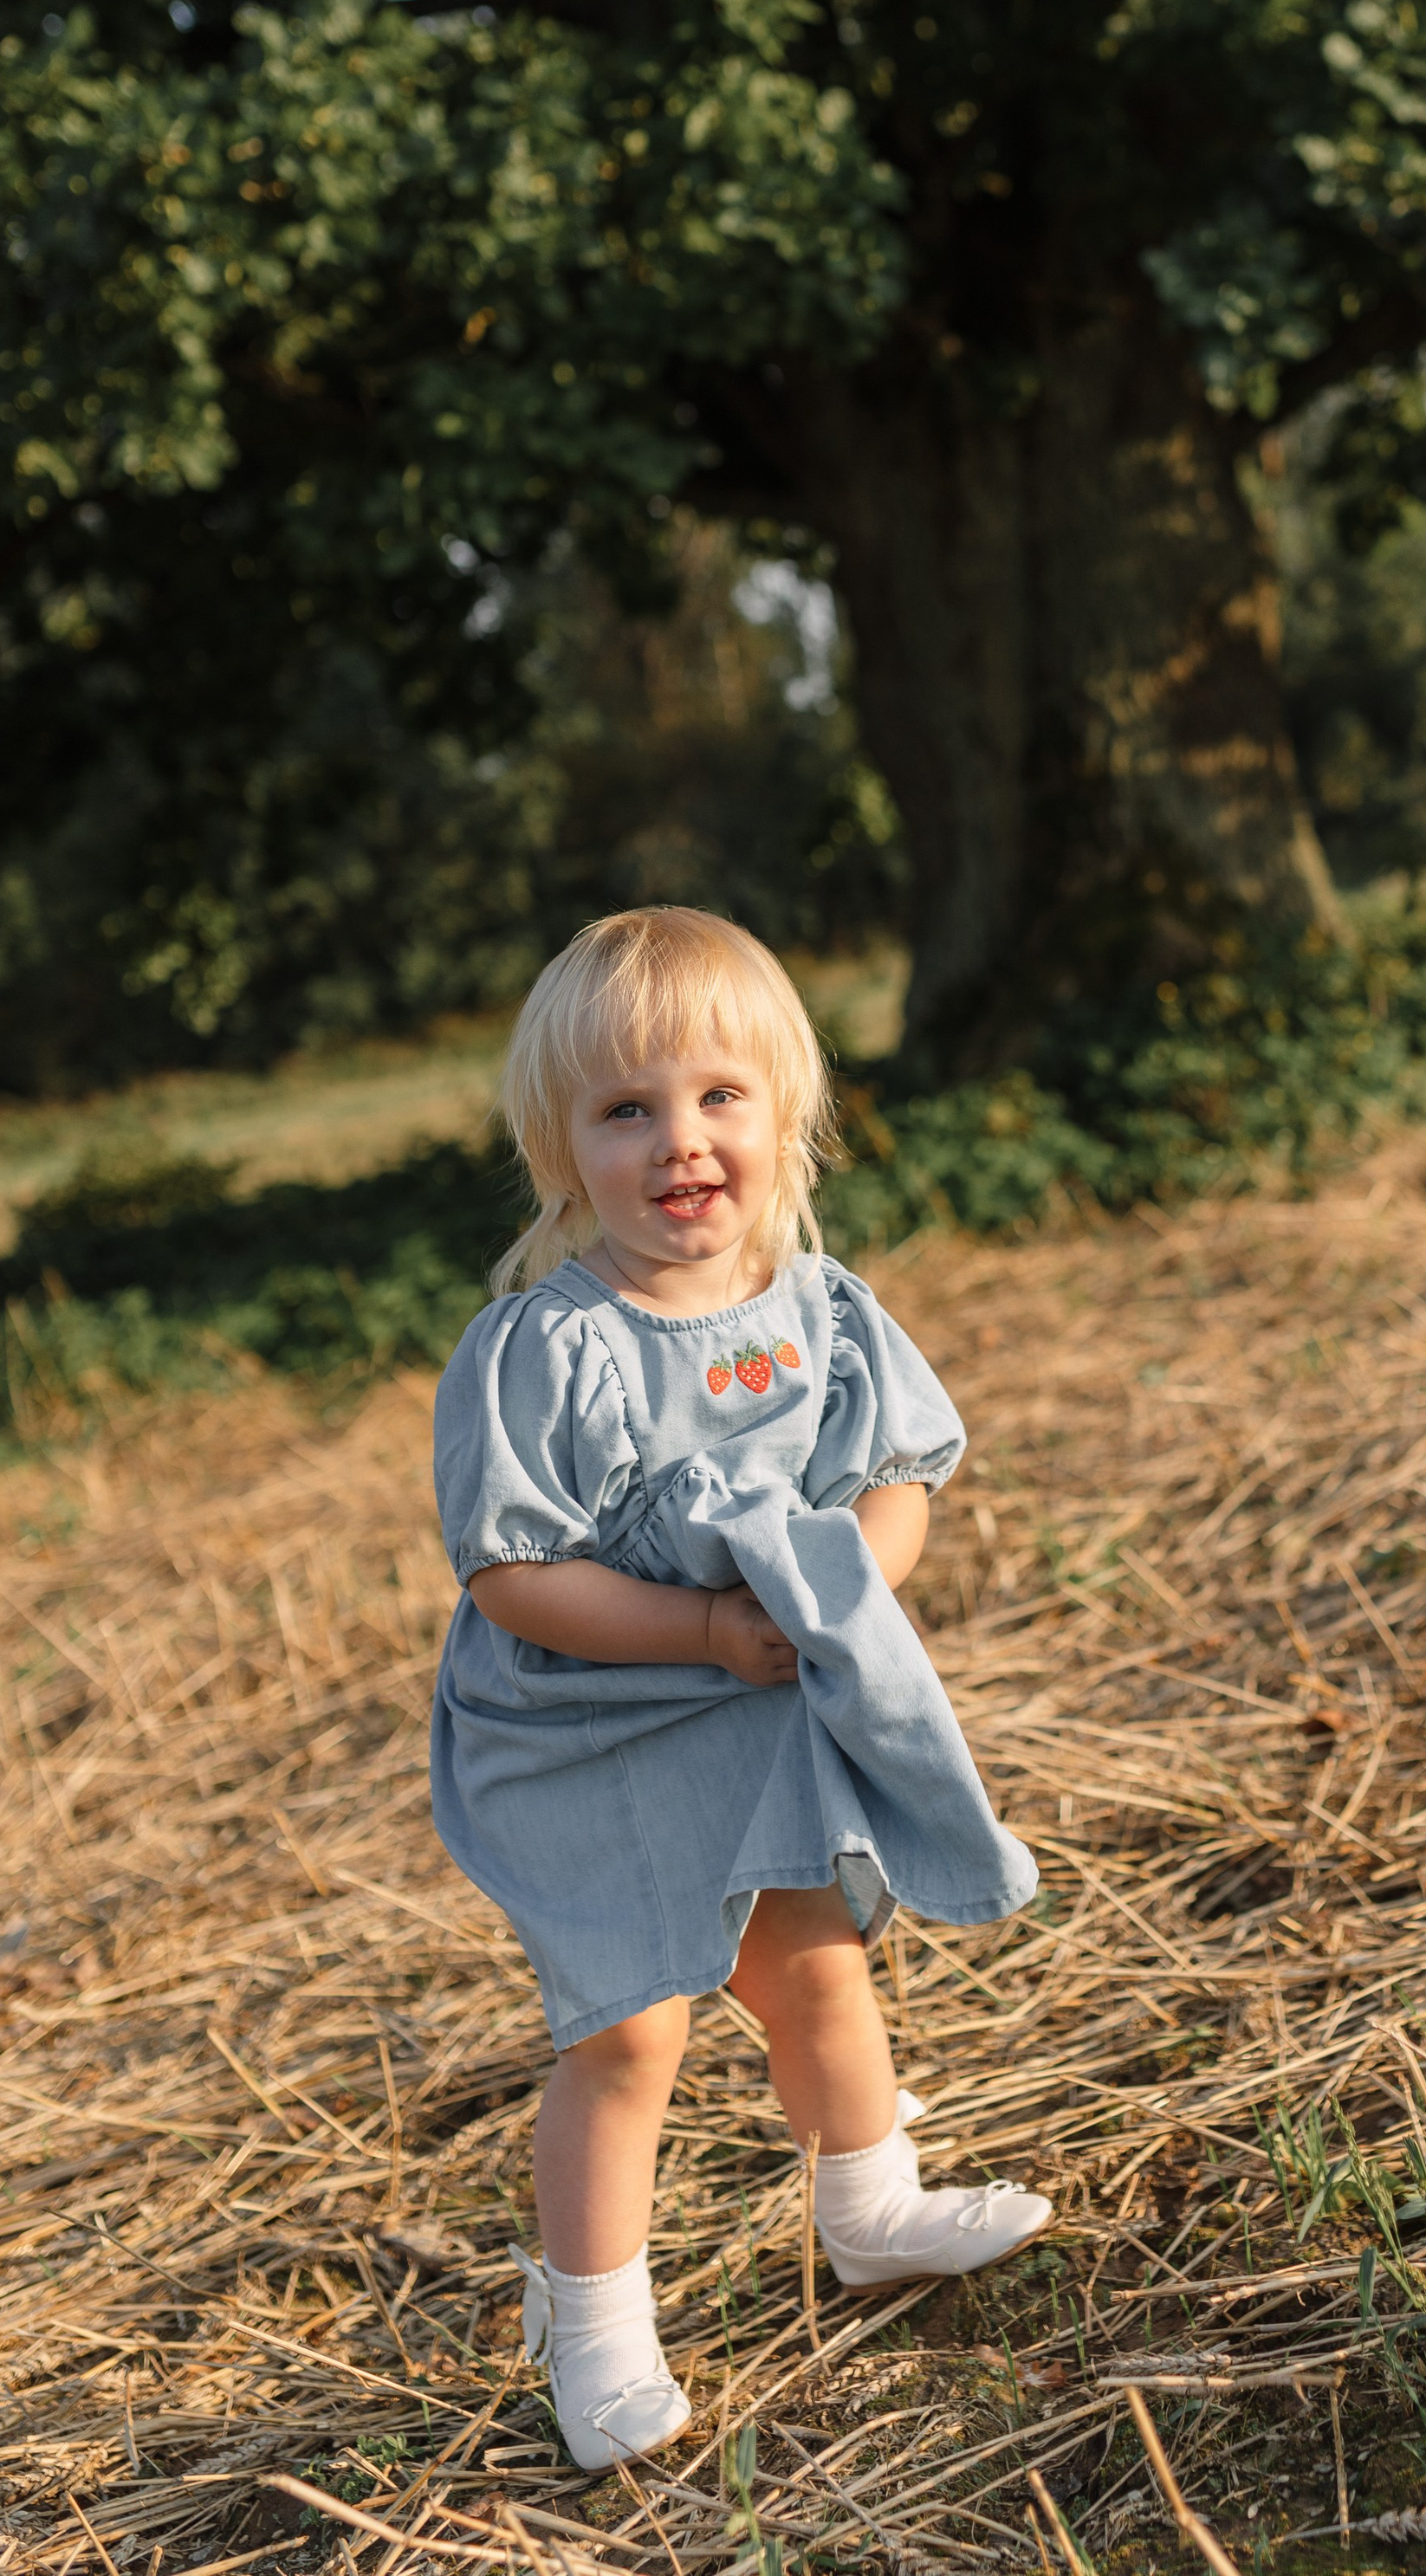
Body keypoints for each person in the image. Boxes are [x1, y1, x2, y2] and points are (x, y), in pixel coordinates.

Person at [428, 905, 1048, 2471]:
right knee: (630, 2030)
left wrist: (850, 1587)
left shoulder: (821, 1313)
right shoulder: (546, 1348)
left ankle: (872, 2207)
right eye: (626, 1110)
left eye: (719, 1096)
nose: (680, 1141)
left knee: (816, 1965)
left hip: (758, 1707)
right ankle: (593, 2331)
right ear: (563, 1152)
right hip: (593, 1722)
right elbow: (514, 1574)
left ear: (788, 1116)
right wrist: (706, 1629)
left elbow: (899, 1476)